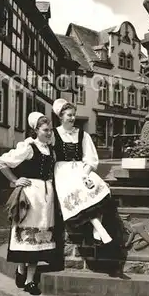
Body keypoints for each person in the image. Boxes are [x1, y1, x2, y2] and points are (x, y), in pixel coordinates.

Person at [0, 113, 57, 295]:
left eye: (50, 130)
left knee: (39, 239)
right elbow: (1, 161)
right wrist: (15, 180)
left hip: (46, 198)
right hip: (30, 197)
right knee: (27, 237)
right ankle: (25, 275)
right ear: (35, 130)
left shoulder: (50, 150)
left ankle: (28, 278)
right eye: (45, 130)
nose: (48, 133)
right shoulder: (29, 148)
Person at [51, 98, 112, 244]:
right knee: (77, 193)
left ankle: (97, 229)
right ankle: (99, 229)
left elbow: (91, 158)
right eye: (69, 115)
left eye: (73, 115)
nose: (72, 118)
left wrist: (85, 173)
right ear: (61, 117)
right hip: (62, 173)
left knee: (98, 187)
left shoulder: (82, 135)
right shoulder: (53, 134)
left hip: (80, 169)